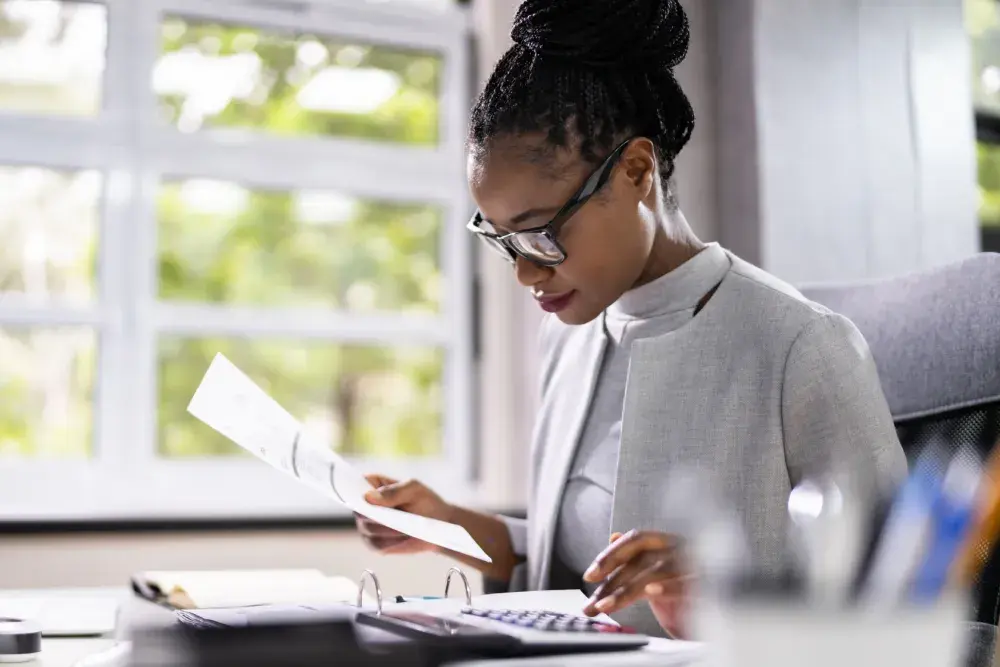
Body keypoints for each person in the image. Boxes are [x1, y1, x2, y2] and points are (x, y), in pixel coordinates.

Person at [355, 0, 907, 638]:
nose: (525, 273)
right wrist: (445, 522)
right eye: (503, 239)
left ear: (637, 171)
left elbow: (904, 592)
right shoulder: (571, 337)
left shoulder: (800, 345)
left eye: (540, 235)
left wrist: (716, 588)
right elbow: (577, 569)